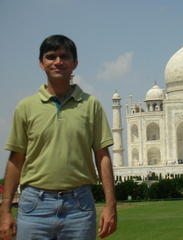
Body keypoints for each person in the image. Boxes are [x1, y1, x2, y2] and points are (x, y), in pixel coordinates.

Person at [0, 35, 117, 240]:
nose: (58, 62)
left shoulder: (91, 105)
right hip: (34, 205)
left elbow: (102, 157)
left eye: (64, 56)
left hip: (79, 206)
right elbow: (15, 161)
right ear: (41, 63)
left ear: (75, 63)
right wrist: (5, 211)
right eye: (51, 56)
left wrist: (110, 206)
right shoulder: (26, 107)